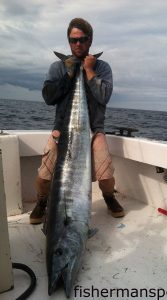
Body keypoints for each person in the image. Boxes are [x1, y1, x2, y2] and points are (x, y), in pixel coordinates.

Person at [30, 17, 124, 224]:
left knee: (106, 175)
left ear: (90, 41)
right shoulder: (58, 66)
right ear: (69, 42)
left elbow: (104, 97)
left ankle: (109, 197)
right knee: (44, 174)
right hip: (62, 130)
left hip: (93, 130)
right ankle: (42, 201)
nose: (78, 44)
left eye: (82, 40)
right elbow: (48, 97)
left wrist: (89, 70)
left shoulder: (102, 67)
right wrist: (69, 74)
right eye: (74, 40)